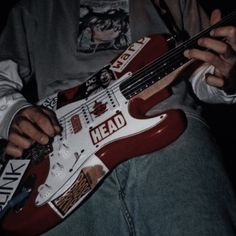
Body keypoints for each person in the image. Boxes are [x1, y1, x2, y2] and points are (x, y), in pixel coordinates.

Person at [1, 0, 236, 235]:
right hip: (59, 150)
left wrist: (227, 74)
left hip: (171, 126)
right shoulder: (31, 7)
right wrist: (13, 112)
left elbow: (205, 71)